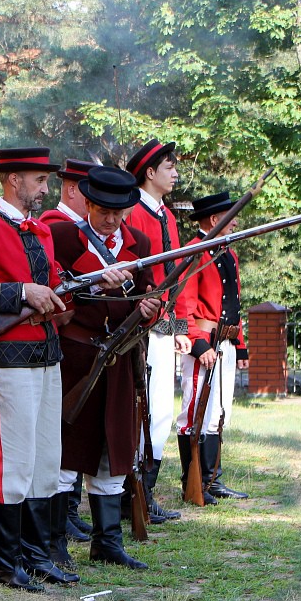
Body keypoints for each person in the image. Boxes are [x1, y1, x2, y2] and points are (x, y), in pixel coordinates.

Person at [0, 147, 122, 590]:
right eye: (40, 180)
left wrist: (85, 285)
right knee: (14, 462)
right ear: (15, 181)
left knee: (47, 459)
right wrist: (21, 292)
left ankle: (36, 554)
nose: (47, 189)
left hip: (49, 356)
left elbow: (52, 288)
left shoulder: (43, 234)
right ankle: (4, 562)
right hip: (10, 360)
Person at [48, 167, 161, 570]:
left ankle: (106, 541)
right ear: (89, 205)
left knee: (114, 451)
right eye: (104, 210)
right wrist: (96, 286)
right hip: (76, 359)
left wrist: (149, 310)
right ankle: (55, 541)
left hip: (118, 360)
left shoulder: (141, 243)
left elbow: (149, 300)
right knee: (67, 453)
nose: (111, 220)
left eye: (119, 212)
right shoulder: (62, 238)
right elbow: (55, 296)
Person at [174, 192, 251, 503]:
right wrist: (197, 344)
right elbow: (183, 305)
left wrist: (241, 345)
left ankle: (212, 479)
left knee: (219, 413)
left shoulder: (227, 253)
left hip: (225, 341)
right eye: (230, 216)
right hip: (204, 345)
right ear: (214, 219)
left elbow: (234, 304)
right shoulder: (194, 252)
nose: (235, 222)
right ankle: (194, 482)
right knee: (194, 413)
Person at [37, 158, 99, 544]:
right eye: (88, 192)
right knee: (64, 427)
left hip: (89, 339)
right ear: (73, 190)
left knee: (78, 427)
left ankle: (70, 509)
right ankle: (60, 512)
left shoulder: (80, 230)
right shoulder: (54, 229)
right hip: (65, 337)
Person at [126, 139, 187, 523]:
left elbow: (177, 280)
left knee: (162, 413)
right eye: (168, 166)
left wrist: (181, 326)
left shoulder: (168, 217)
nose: (175, 172)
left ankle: (146, 493)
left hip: (165, 326)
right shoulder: (133, 214)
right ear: (149, 172)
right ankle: (130, 494)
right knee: (142, 412)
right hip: (140, 329)